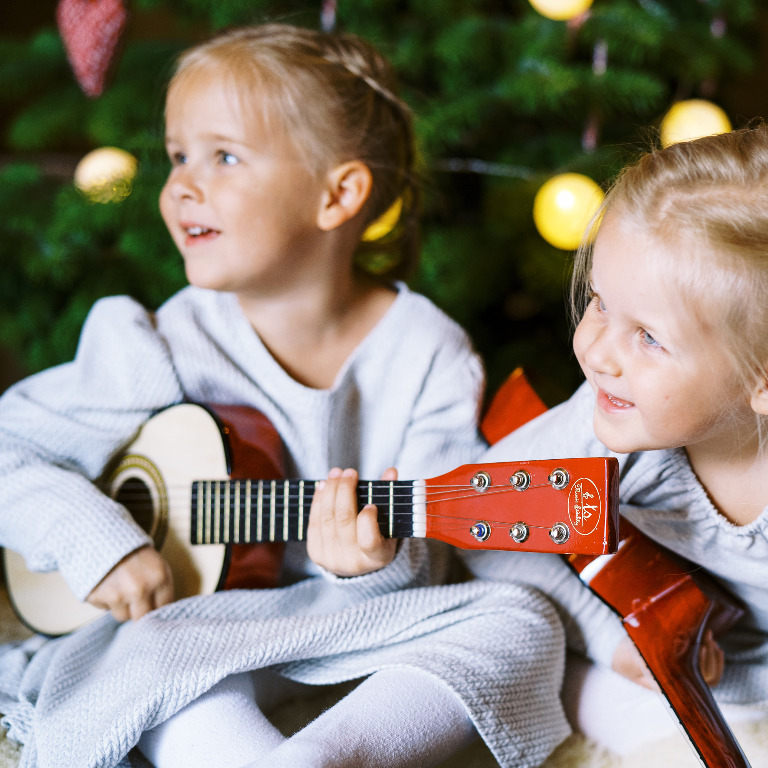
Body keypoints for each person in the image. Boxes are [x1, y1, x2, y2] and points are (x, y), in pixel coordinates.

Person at [0, 24, 569, 768]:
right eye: (178, 156)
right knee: (146, 667)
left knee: (523, 621)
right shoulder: (157, 345)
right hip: (192, 622)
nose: (180, 185)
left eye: (224, 156)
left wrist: (377, 560)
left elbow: (440, 540)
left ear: (337, 194)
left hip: (345, 617)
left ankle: (332, 753)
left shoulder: (425, 350)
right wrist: (93, 538)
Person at [463, 124, 768, 759]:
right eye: (600, 303)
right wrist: (610, 637)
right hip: (667, 683)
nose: (597, 353)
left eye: (649, 337)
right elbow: (477, 526)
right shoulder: (607, 428)